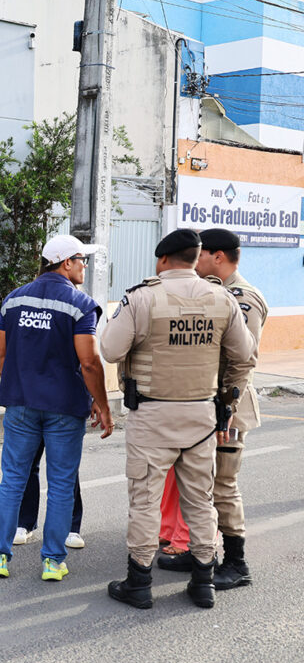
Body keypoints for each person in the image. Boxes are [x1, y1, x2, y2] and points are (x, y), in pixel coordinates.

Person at [100, 228, 256, 610]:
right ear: (196, 257)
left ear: (162, 260)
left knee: (145, 501)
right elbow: (244, 357)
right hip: (202, 415)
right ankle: (203, 582)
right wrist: (226, 399)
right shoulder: (222, 298)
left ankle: (139, 582)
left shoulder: (142, 297)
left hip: (152, 415)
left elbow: (109, 349)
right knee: (201, 501)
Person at [0, 234, 111, 582]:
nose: (85, 265)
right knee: (62, 484)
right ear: (66, 263)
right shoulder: (81, 305)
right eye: (82, 259)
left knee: (12, 481)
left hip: (21, 404)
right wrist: (102, 404)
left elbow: (3, 355)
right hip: (65, 407)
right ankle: (52, 561)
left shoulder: (12, 300)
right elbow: (90, 363)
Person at [156, 228, 268, 591]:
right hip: (205, 407)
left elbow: (242, 360)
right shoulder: (215, 293)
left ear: (218, 257)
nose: (195, 260)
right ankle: (202, 553)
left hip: (227, 410)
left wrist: (226, 407)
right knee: (197, 486)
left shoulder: (242, 299)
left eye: (200, 254)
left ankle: (237, 563)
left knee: (222, 486)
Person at [0, 359, 85, 549]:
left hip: (63, 401)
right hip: (26, 400)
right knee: (24, 469)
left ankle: (69, 527)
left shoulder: (73, 326)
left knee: (63, 474)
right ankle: (24, 524)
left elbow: (89, 358)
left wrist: (96, 398)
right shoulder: (13, 326)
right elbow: (4, 352)